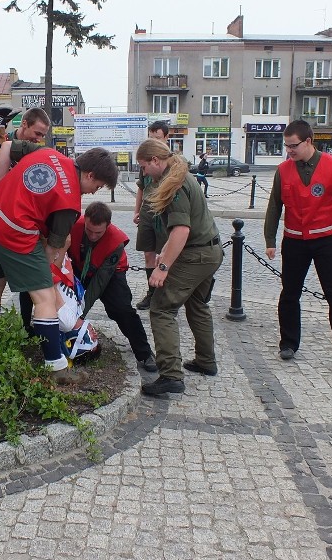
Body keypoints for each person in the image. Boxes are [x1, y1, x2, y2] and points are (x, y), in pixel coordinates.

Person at [0, 143, 119, 384]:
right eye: (97, 186)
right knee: (45, 298)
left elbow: (7, 146)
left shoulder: (48, 153)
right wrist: (48, 276)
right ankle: (57, 368)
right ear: (89, 175)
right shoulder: (69, 203)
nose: (94, 192)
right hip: (15, 231)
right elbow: (52, 250)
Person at [264, 119, 332, 373]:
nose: (289, 151)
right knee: (289, 294)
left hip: (327, 240)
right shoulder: (283, 170)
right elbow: (275, 206)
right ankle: (288, 342)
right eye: (286, 146)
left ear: (308, 141)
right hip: (295, 240)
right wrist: (270, 240)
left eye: (293, 145)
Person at [134, 139, 223, 396]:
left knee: (161, 308)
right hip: (210, 252)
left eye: (143, 166)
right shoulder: (180, 172)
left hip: (194, 255)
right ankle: (206, 362)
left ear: (155, 160)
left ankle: (171, 375)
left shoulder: (174, 183)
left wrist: (162, 267)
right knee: (197, 305)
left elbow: (181, 231)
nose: (143, 172)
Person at [68, 202, 158, 372]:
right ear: (85, 220)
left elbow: (98, 283)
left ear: (108, 226)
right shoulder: (73, 225)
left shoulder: (115, 242)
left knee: (121, 309)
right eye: (89, 231)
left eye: (98, 233)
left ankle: (144, 354)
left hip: (109, 272)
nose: (93, 236)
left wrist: (79, 315)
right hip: (79, 267)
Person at [134, 120, 170, 310]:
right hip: (148, 210)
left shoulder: (173, 162)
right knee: (148, 253)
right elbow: (141, 187)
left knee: (165, 252)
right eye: (151, 137)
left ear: (166, 137)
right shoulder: (147, 160)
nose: (154, 141)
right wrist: (137, 210)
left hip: (164, 211)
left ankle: (165, 293)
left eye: (157, 138)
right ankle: (151, 293)